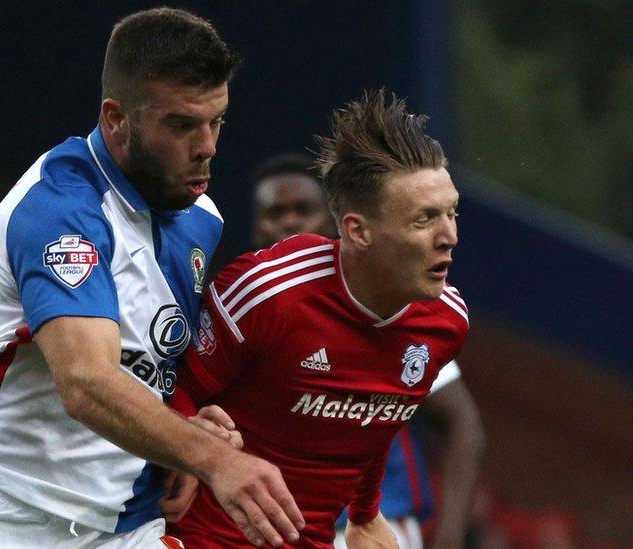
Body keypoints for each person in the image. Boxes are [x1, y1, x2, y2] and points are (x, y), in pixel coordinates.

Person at [0, 8, 303, 548]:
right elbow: (87, 382)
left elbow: (156, 360)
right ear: (116, 117)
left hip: (129, 527)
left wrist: (189, 421)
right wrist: (214, 458)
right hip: (5, 519)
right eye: (182, 125)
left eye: (216, 121)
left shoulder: (201, 219)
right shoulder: (59, 211)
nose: (208, 146)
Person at [169, 89, 470, 548]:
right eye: (423, 219)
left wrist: (366, 516)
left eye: (451, 213)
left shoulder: (446, 321)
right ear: (357, 230)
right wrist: (189, 452)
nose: (449, 236)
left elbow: (377, 422)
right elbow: (177, 388)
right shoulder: (268, 292)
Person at [248, 153, 484, 549]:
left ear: (336, 221)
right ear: (257, 227)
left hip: (374, 529)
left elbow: (463, 424)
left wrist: (450, 534)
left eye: (303, 209)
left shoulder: (395, 304)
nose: (289, 222)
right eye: (275, 212)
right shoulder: (239, 312)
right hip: (273, 529)